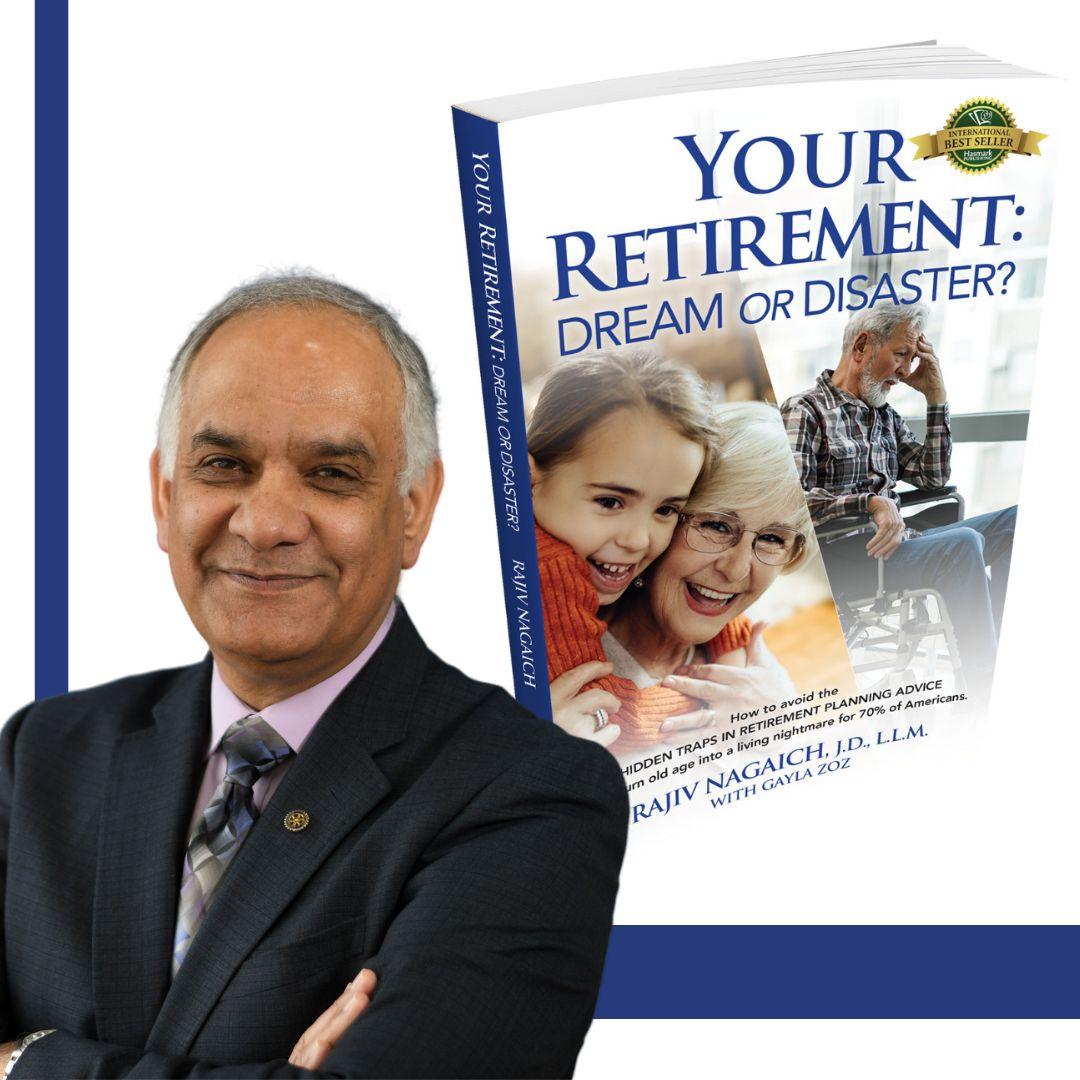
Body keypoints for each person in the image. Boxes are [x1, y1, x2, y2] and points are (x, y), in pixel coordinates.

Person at [0, 274, 628, 1078]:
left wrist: (29, 1061)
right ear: (164, 497)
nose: (264, 524)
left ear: (413, 510)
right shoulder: (46, 751)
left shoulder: (534, 794)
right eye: (223, 464)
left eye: (331, 474)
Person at [780, 301, 1015, 700]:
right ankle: (984, 687)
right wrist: (869, 502)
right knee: (964, 544)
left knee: (1015, 522)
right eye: (901, 355)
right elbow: (792, 503)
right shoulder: (805, 411)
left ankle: (1000, 652)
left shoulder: (886, 417)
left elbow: (933, 477)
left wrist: (936, 398)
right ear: (862, 347)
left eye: (912, 357)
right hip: (846, 556)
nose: (906, 371)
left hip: (898, 545)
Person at [527, 352, 752, 751]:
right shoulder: (549, 566)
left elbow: (720, 592)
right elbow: (612, 713)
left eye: (666, 510)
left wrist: (730, 651)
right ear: (527, 478)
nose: (639, 540)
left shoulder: (588, 546)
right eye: (611, 502)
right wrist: (711, 697)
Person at [596, 402, 813, 750]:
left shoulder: (758, 675)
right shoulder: (559, 651)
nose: (735, 570)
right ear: (662, 516)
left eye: (773, 539)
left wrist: (781, 725)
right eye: (716, 525)